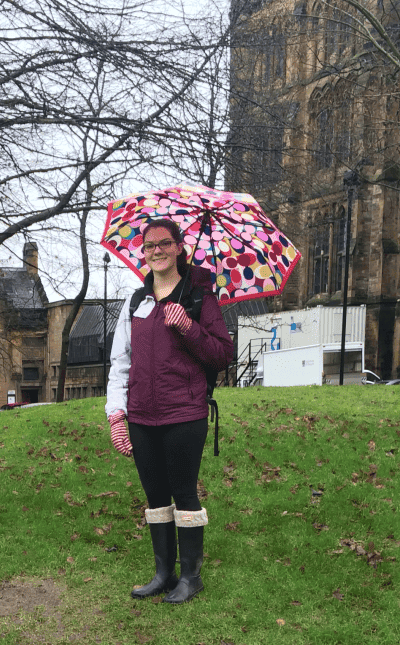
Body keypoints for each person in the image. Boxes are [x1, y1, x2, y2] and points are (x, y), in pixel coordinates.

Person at [105, 218, 234, 604]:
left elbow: (223, 355)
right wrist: (116, 415)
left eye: (164, 243)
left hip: (184, 413)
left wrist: (190, 328)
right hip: (142, 415)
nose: (156, 251)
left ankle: (190, 577)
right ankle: (164, 573)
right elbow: (119, 364)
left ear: (179, 247)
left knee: (183, 492)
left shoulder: (199, 299)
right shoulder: (136, 302)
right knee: (155, 496)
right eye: (149, 246)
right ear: (142, 253)